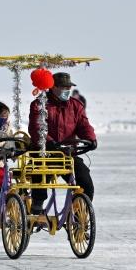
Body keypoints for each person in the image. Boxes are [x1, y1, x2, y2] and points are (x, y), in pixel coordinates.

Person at [28, 72, 97, 214]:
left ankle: (80, 213)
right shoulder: (39, 104)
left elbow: (83, 125)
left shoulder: (75, 105)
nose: (67, 90)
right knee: (39, 173)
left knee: (85, 180)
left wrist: (91, 138)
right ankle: (37, 205)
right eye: (63, 87)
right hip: (45, 152)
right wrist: (50, 142)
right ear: (53, 87)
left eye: (68, 87)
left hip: (67, 154)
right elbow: (36, 128)